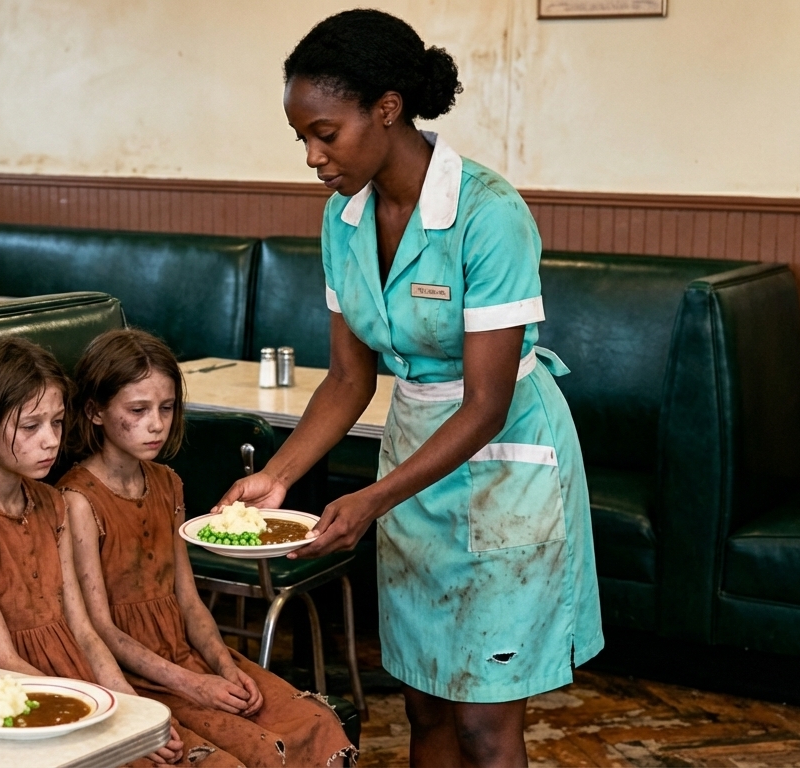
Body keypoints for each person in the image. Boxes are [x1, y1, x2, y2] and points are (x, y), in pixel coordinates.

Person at [217, 10, 604, 767]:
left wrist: (371, 498)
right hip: (413, 476)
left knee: (484, 728)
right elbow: (350, 378)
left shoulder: (489, 215)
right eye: (302, 138)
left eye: (325, 133)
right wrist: (277, 476)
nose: (311, 156)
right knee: (425, 704)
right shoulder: (344, 218)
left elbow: (487, 405)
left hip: (502, 472)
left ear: (386, 109)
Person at [60, 328, 356, 768]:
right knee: (245, 752)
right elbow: (101, 628)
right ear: (95, 411)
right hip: (134, 674)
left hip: (189, 653)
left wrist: (225, 666)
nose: (156, 424)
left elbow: (189, 601)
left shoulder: (167, 483)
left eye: (166, 408)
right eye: (137, 410)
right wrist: (193, 685)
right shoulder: (78, 499)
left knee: (314, 722)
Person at [0, 337, 183, 765]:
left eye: (57, 422)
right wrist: (100, 712)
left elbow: (83, 629)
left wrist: (132, 710)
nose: (50, 441)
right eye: (30, 427)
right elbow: (0, 656)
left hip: (80, 677)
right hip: (22, 696)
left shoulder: (53, 502)